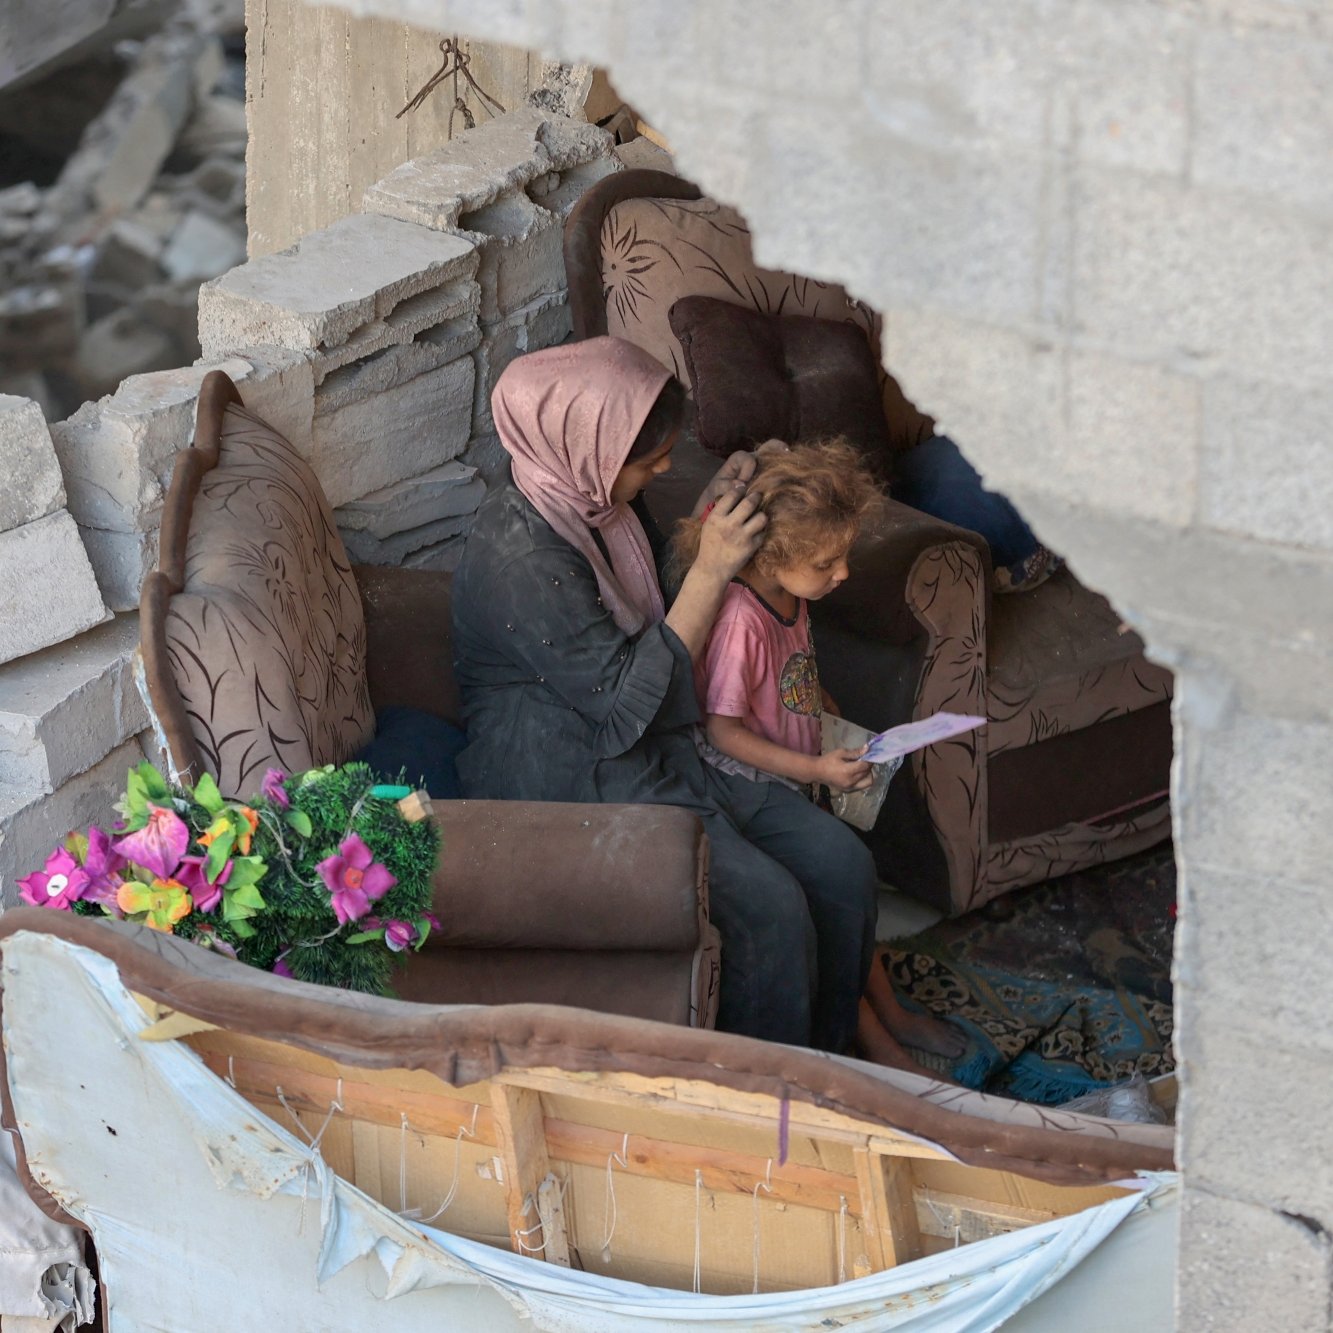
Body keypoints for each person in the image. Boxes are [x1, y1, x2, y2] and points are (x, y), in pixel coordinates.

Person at [451, 337, 878, 1053]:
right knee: (768, 905)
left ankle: (832, 1060)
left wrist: (707, 523)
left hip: (660, 733)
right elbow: (622, 700)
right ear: (586, 445)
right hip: (571, 765)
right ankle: (762, 1098)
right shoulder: (519, 554)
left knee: (840, 864)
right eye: (648, 460)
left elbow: (654, 613)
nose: (666, 469)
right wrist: (712, 569)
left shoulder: (598, 501)